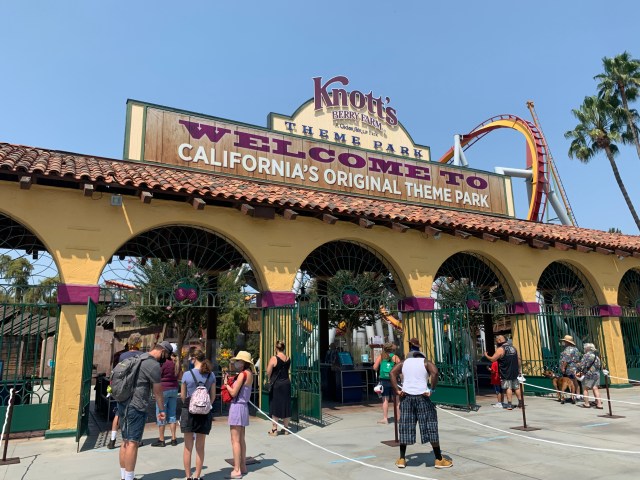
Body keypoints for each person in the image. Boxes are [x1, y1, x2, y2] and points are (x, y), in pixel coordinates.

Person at [117, 341, 172, 480]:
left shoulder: (139, 358)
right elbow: (158, 391)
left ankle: (124, 476)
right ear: (162, 351)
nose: (166, 359)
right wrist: (162, 410)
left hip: (123, 403)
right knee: (133, 442)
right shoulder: (153, 365)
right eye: (166, 356)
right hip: (136, 406)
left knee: (125, 441)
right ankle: (129, 478)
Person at [389, 349, 453, 469]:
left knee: (405, 426)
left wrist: (397, 390)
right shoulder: (426, 362)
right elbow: (435, 373)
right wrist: (432, 389)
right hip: (422, 397)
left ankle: (402, 459)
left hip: (406, 397)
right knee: (430, 426)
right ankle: (438, 459)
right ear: (422, 356)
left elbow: (392, 373)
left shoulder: (403, 363)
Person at [180, 349, 216, 480]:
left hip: (188, 411)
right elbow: (212, 397)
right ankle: (197, 476)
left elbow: (183, 396)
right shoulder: (211, 375)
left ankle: (188, 476)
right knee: (200, 447)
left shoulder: (186, 374)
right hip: (204, 413)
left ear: (194, 358)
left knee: (187, 447)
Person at [222, 351, 255, 479]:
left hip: (237, 406)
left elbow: (233, 392)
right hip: (244, 406)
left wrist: (226, 384)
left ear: (243, 362)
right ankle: (242, 465)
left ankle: (237, 470)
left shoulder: (242, 374)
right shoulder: (249, 373)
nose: (236, 363)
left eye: (238, 361)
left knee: (235, 440)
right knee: (241, 439)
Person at [108, 333, 143, 450]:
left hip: (123, 388)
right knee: (136, 414)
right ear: (139, 343)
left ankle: (113, 440)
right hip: (137, 389)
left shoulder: (123, 356)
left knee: (119, 413)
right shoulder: (142, 356)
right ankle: (136, 439)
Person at [151, 344, 179, 447]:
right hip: (174, 389)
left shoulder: (163, 363)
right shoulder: (176, 363)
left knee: (161, 413)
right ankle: (174, 438)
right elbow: (178, 376)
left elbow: (158, 375)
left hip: (163, 390)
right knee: (172, 414)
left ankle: (161, 439)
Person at [484, 335, 522, 410]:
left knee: (508, 387)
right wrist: (519, 369)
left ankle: (509, 404)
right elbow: (519, 359)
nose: (496, 342)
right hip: (514, 371)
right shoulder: (514, 348)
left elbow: (493, 359)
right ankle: (520, 403)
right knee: (516, 387)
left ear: (499, 340)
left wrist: (486, 355)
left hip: (506, 371)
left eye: (496, 341)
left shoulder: (501, 349)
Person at [266, 340, 292, 436]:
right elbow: (287, 370)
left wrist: (269, 379)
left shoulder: (274, 358)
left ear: (276, 348)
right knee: (286, 405)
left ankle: (274, 429)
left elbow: (268, 372)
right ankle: (286, 428)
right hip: (286, 383)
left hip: (277, 384)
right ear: (284, 348)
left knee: (275, 405)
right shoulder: (288, 358)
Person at [372, 342, 400, 424]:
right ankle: (398, 418)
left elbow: (375, 367)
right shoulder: (395, 357)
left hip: (384, 380)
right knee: (397, 400)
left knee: (385, 399)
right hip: (394, 380)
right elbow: (400, 368)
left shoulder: (381, 356)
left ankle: (385, 419)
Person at [577, 343, 603, 409]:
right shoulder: (596, 356)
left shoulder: (586, 355)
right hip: (596, 374)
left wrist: (578, 365)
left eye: (584, 348)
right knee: (595, 388)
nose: (584, 349)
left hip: (588, 374)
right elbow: (599, 365)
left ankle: (586, 404)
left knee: (585, 389)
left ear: (587, 348)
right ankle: (599, 404)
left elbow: (582, 366)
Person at [560, 335, 582, 402]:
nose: (564, 342)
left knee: (571, 382)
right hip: (575, 367)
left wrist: (563, 368)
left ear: (567, 342)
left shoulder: (568, 349)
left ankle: (573, 397)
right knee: (576, 381)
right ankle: (578, 396)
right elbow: (578, 357)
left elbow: (566, 360)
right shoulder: (576, 349)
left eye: (564, 341)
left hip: (570, 368)